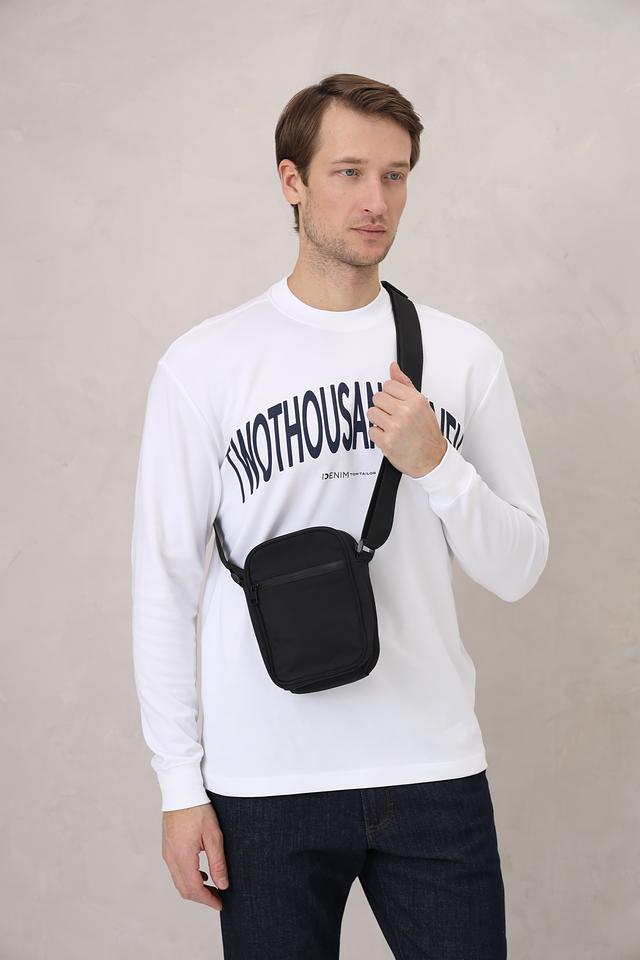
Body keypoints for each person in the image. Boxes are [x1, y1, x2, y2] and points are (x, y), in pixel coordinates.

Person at [130, 72, 549, 959]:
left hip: (432, 769)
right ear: (292, 182)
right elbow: (163, 586)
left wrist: (438, 466)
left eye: (395, 176)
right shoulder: (205, 365)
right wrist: (179, 785)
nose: (376, 201)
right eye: (349, 172)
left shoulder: (462, 356)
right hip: (264, 781)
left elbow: (518, 568)